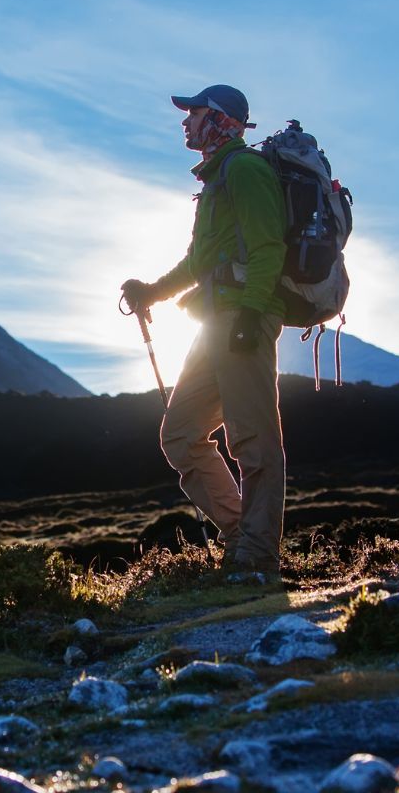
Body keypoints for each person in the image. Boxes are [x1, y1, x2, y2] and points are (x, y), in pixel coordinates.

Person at [121, 84, 287, 577]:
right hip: (215, 322)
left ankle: (258, 555)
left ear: (218, 119)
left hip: (242, 318)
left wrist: (253, 315)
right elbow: (198, 263)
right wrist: (151, 292)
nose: (185, 122)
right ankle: (241, 537)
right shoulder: (216, 182)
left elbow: (268, 249)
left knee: (253, 440)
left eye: (193, 113)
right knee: (182, 434)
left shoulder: (246, 171)